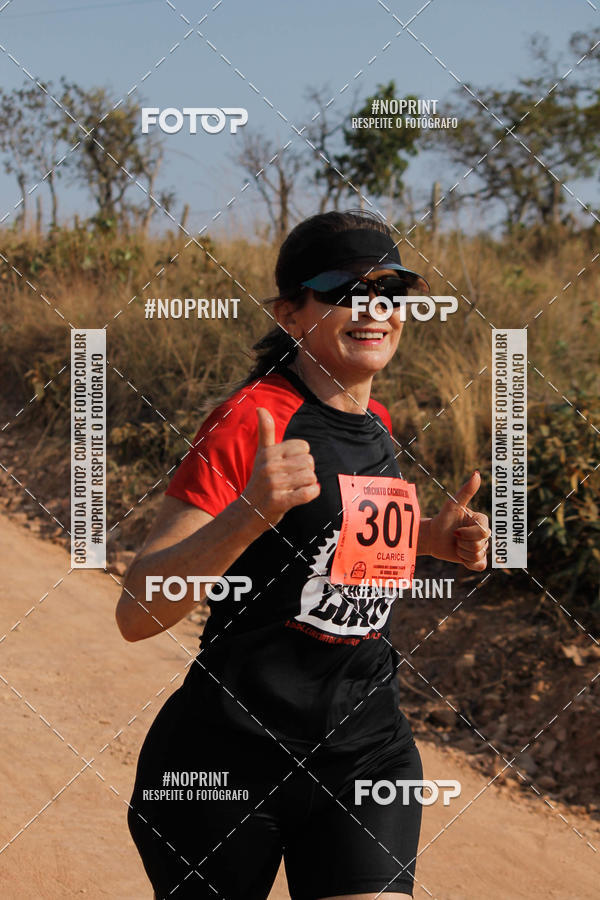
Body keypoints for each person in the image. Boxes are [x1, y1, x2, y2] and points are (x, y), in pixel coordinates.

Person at [116, 209, 490, 900]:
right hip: (229, 757)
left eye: (389, 290)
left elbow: (330, 545)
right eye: (344, 291)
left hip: (363, 748)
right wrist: (247, 516)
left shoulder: (375, 424)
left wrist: (430, 540)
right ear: (290, 314)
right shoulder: (251, 421)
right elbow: (137, 611)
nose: (373, 309)